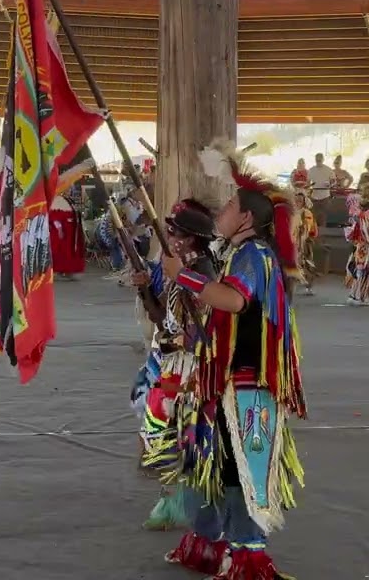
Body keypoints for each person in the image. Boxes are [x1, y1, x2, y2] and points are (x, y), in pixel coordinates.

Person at [161, 140, 306, 579]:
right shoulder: (238, 253)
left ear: (245, 218)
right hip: (226, 380)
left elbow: (234, 301)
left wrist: (183, 277)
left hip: (247, 383)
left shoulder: (254, 255)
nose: (220, 212)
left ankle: (246, 555)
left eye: (228, 206)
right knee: (219, 465)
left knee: (243, 469)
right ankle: (213, 543)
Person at [128, 197, 216, 531]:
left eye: (174, 232)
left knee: (182, 436)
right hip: (168, 363)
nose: (169, 237)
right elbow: (159, 316)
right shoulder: (177, 269)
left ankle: (183, 501)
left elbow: (200, 328)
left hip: (190, 369)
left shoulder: (202, 272)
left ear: (190, 239)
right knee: (162, 433)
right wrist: (144, 289)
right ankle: (172, 499)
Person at [344, 192, 369, 306]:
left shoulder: (363, 214)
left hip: (363, 246)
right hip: (365, 246)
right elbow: (366, 233)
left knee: (365, 271)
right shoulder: (366, 215)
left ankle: (358, 295)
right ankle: (359, 296)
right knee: (363, 271)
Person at [50, 191, 87, 280]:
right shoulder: (57, 200)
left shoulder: (68, 200)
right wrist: (59, 229)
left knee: (70, 251)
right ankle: (59, 270)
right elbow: (54, 217)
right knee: (62, 251)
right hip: (64, 231)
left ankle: (68, 271)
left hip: (72, 231)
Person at [294, 190, 318, 295]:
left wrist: (301, 239)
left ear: (304, 202)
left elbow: (308, 228)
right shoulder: (292, 212)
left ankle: (309, 286)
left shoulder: (306, 213)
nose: (297, 202)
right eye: (296, 200)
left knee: (307, 262)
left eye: (299, 200)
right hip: (293, 242)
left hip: (304, 242)